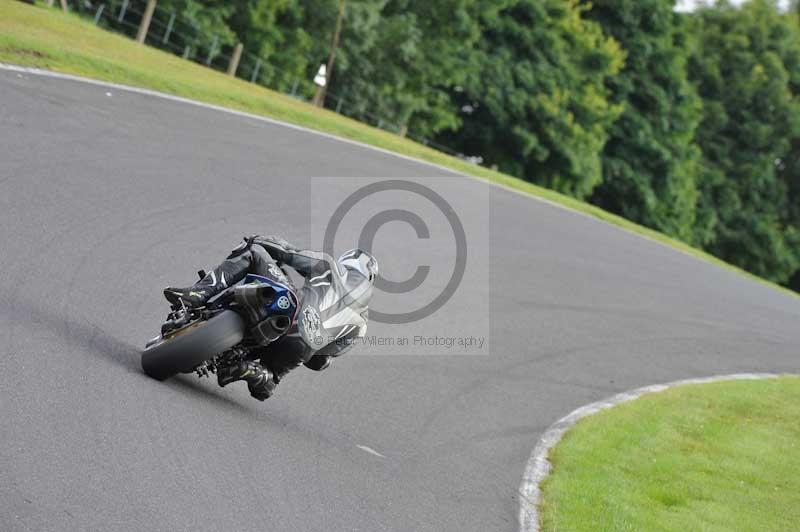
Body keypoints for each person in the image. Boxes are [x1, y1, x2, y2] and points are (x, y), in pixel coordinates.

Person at [163, 236, 377, 400]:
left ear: (347, 261)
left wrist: (258, 239)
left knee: (253, 250)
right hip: (300, 348)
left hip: (290, 308)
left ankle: (197, 294)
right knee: (271, 380)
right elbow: (321, 361)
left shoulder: (332, 266)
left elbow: (287, 253)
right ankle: (255, 372)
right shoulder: (361, 324)